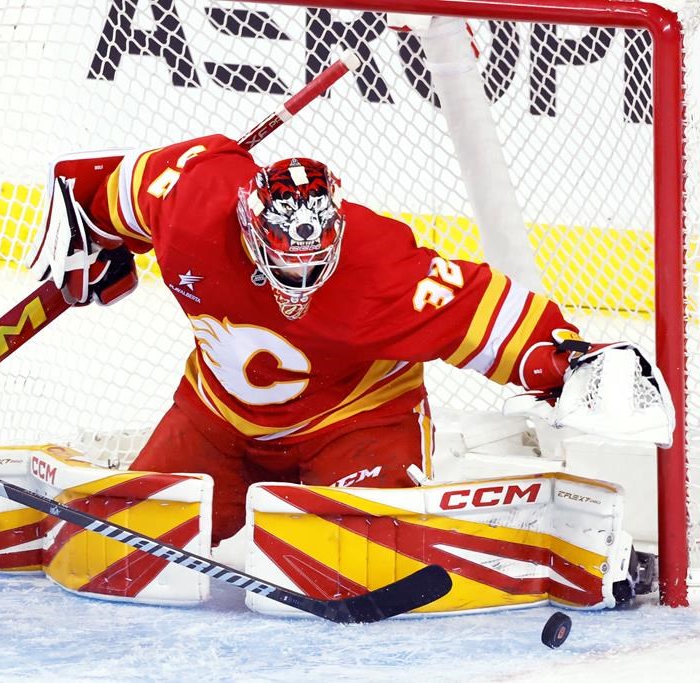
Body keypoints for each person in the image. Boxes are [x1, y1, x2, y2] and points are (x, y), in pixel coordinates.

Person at [33, 133, 671, 570]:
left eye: (316, 262)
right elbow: (123, 187)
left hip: (357, 425)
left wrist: (565, 361)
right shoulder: (195, 209)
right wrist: (92, 226)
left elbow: (486, 313)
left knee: (343, 558)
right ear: (251, 227)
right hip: (215, 420)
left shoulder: (377, 267)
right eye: (284, 262)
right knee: (124, 551)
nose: (300, 284)